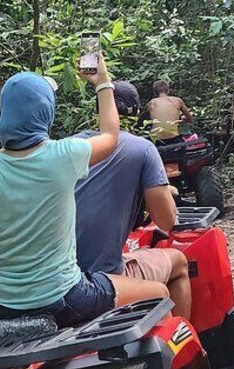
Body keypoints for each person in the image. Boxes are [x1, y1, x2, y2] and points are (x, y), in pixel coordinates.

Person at [0, 56, 168, 361]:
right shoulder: (63, 156)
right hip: (63, 298)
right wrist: (103, 81)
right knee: (158, 294)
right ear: (45, 112)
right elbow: (110, 135)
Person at [75, 80, 191, 319]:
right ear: (137, 113)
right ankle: (183, 351)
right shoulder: (143, 149)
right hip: (104, 279)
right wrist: (162, 193)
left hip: (61, 278)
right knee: (179, 262)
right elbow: (166, 222)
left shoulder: (66, 148)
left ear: (96, 112)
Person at [145, 80, 193, 146]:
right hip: (174, 140)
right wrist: (184, 119)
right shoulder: (177, 101)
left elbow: (144, 120)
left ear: (155, 93)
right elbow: (190, 118)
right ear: (168, 90)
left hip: (157, 141)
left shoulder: (151, 103)